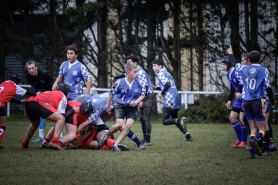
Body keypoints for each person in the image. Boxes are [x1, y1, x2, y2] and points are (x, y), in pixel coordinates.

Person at [235, 50, 276, 158]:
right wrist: (272, 100)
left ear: (248, 60)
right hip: (258, 100)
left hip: (246, 101)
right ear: (260, 59)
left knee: (253, 128)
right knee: (262, 127)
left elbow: (239, 81)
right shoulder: (263, 70)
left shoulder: (243, 69)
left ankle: (251, 153)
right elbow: (267, 87)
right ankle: (262, 146)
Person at [98, 63, 146, 152]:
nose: (137, 74)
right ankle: (106, 136)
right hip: (120, 106)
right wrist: (107, 104)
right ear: (128, 73)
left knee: (128, 126)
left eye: (137, 72)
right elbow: (111, 92)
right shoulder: (119, 82)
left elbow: (143, 94)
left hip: (132, 108)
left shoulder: (139, 82)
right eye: (135, 72)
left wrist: (136, 101)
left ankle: (115, 145)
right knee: (120, 125)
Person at [75, 92, 146, 150]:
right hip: (116, 100)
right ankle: (111, 140)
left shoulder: (96, 109)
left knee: (122, 127)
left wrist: (74, 136)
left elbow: (83, 124)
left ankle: (139, 143)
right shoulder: (91, 99)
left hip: (121, 104)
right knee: (99, 123)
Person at [111, 55, 153, 146]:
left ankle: (147, 140)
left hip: (145, 96)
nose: (127, 64)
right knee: (141, 119)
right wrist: (116, 77)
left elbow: (144, 86)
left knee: (145, 118)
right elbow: (126, 74)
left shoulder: (140, 72)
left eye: (129, 62)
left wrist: (141, 101)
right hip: (139, 96)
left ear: (135, 63)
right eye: (127, 62)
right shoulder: (133, 71)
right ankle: (140, 140)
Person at [20, 83, 76, 150]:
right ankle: (55, 142)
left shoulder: (51, 92)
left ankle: (24, 143)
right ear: (68, 93)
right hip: (40, 103)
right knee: (61, 119)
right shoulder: (63, 96)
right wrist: (73, 110)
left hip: (29, 102)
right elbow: (61, 116)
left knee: (35, 124)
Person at [151, 59, 193, 142]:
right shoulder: (167, 73)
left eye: (155, 66)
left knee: (165, 121)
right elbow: (170, 85)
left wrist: (161, 93)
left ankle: (181, 120)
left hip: (170, 99)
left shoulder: (161, 73)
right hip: (175, 97)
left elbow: (168, 84)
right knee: (175, 119)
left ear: (160, 66)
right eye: (153, 66)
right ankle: (188, 136)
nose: (153, 68)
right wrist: (157, 88)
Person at [0, 74, 37, 149]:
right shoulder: (14, 85)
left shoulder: (3, 83)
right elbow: (26, 92)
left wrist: (19, 102)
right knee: (2, 125)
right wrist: (36, 94)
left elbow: (8, 97)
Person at [221, 55, 248, 148]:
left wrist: (240, 92)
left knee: (241, 119)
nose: (222, 66)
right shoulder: (228, 74)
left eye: (224, 64)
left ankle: (244, 142)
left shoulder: (236, 72)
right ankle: (239, 140)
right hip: (238, 99)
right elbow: (233, 87)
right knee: (232, 118)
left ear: (229, 64)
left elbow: (242, 82)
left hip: (245, 97)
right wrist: (229, 100)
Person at [25, 60, 54, 143]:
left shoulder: (44, 74)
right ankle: (41, 136)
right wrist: (35, 94)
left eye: (32, 68)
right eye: (29, 69)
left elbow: (53, 84)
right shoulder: (29, 75)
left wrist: (51, 95)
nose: (31, 70)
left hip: (51, 94)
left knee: (55, 116)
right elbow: (33, 85)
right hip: (41, 95)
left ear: (36, 67)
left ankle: (59, 136)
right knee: (41, 114)